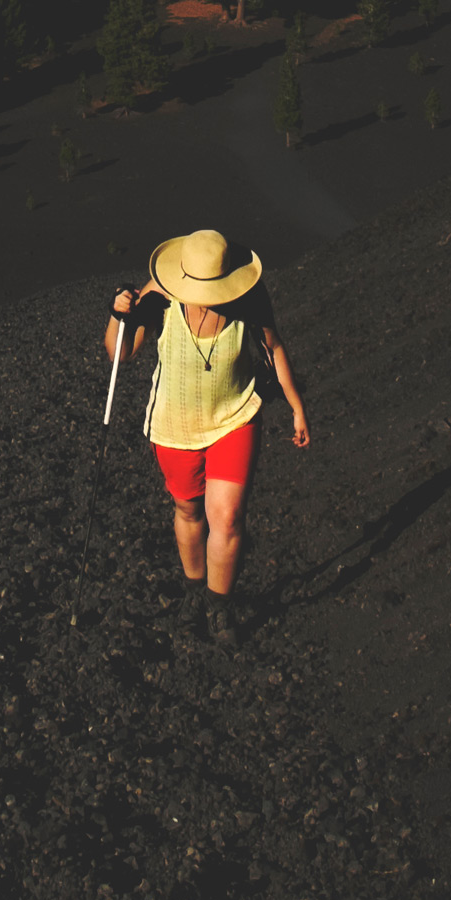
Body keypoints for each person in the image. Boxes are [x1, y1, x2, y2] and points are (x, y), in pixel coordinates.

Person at [105, 227, 310, 649]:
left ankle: (219, 608)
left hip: (234, 417)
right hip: (175, 428)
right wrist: (117, 314)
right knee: (188, 511)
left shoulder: (249, 298)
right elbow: (119, 353)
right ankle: (194, 592)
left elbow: (274, 348)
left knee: (229, 517)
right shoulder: (160, 297)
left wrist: (296, 407)